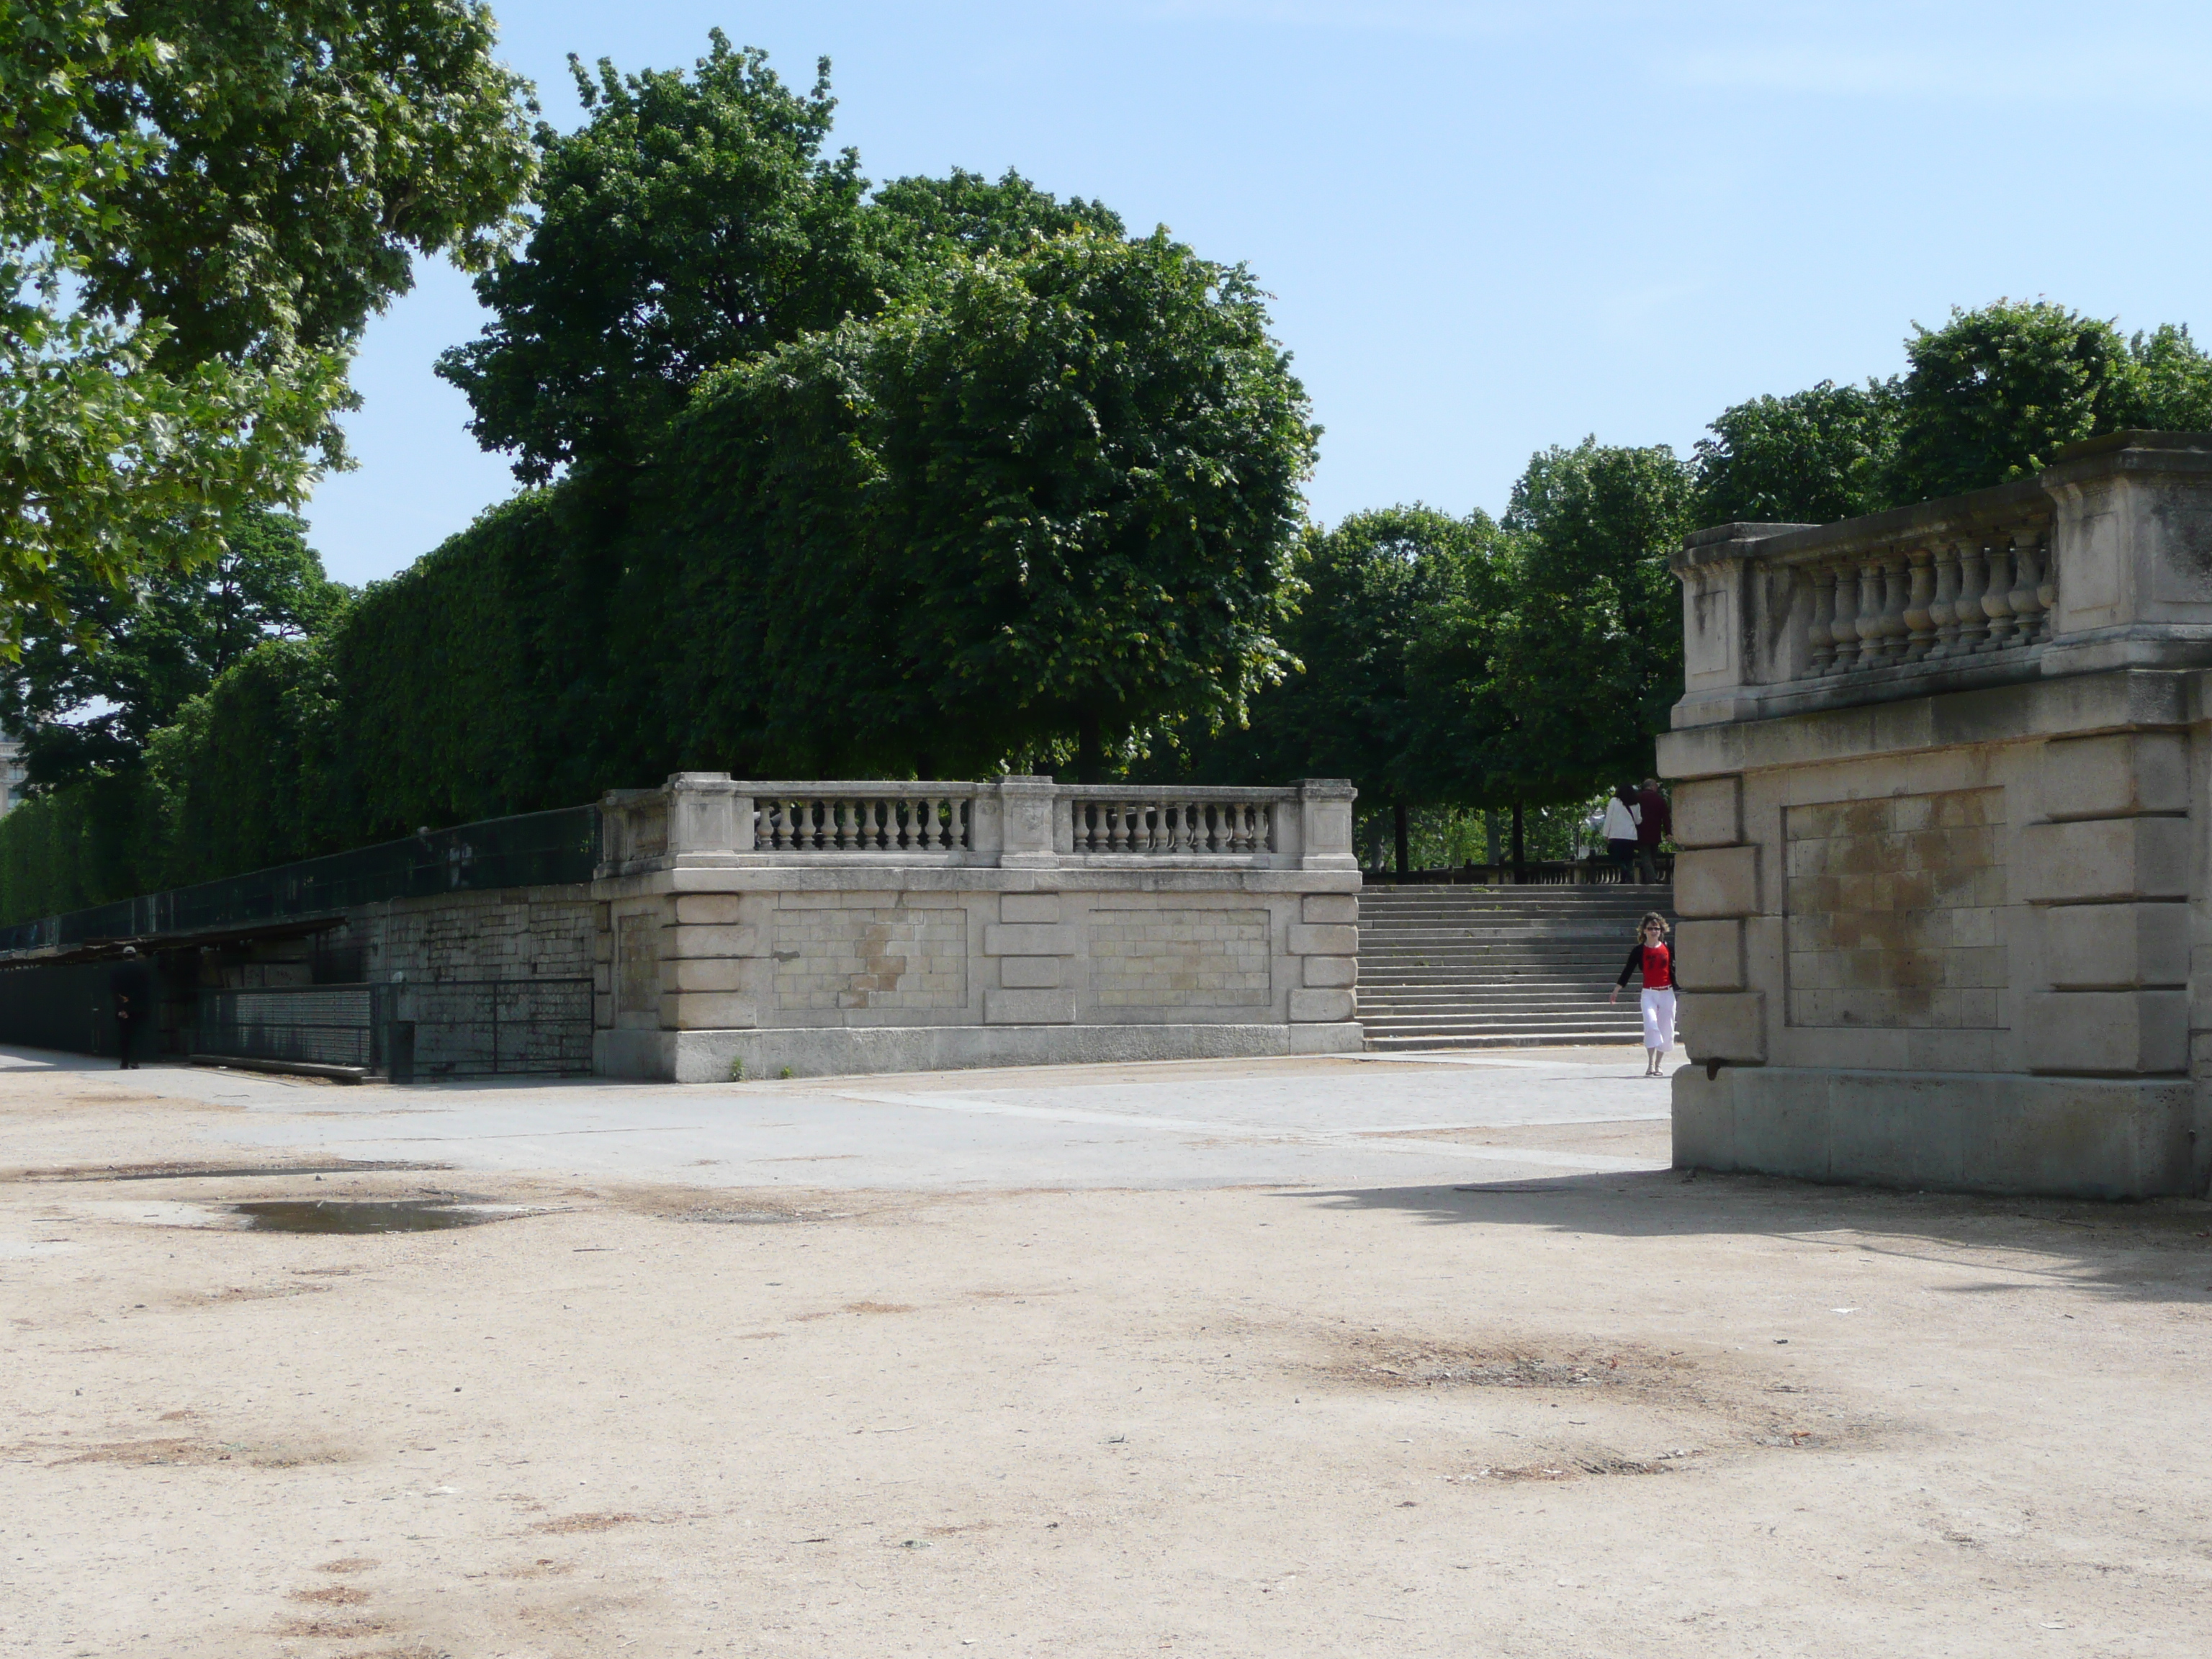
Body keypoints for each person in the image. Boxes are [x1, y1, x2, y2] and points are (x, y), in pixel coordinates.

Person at [1609, 912, 1674, 1077]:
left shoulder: (1668, 948)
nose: (1654, 932)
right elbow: (1628, 970)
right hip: (1649, 993)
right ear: (1644, 931)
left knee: (1667, 1029)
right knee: (1651, 1025)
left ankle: (1658, 1065)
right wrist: (1617, 989)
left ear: (1661, 930)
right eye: (1651, 928)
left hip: (1667, 992)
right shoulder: (1639, 951)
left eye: (1657, 929)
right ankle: (1650, 1063)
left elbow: (1677, 969)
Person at [108, 948, 153, 1070]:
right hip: (139, 1009)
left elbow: (114, 991)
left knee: (124, 1035)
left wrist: (122, 1008)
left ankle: (124, 1062)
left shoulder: (117, 970)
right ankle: (136, 1060)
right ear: (135, 955)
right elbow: (146, 991)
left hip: (123, 1009)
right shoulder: (143, 970)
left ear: (123, 956)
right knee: (137, 1034)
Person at [1635, 776, 1671, 885]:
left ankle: (1650, 879)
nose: (1657, 788)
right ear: (1652, 786)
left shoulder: (1637, 798)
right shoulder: (1659, 799)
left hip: (1641, 832)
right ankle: (1652, 878)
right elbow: (1665, 817)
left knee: (1645, 857)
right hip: (1655, 833)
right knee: (1652, 857)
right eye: (1656, 786)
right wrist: (1668, 832)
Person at [1601, 785, 1640, 882]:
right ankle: (1629, 876)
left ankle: (1624, 870)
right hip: (1630, 835)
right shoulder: (1636, 803)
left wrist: (1606, 834)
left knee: (1616, 857)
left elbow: (1609, 818)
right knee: (1629, 858)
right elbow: (1638, 821)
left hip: (1616, 835)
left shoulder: (1614, 801)